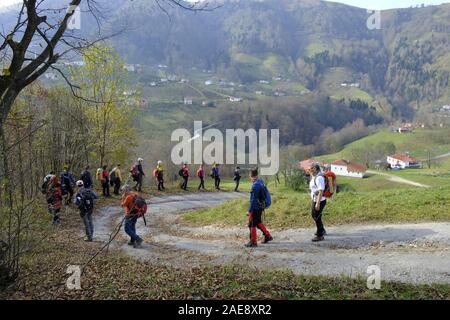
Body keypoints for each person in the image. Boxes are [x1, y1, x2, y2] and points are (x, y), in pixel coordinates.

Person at [245, 168, 272, 248]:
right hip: (260, 206)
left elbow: (253, 200)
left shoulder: (255, 186)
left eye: (250, 176)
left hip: (256, 207)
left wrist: (249, 211)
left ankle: (253, 242)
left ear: (252, 176)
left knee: (252, 224)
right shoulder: (261, 182)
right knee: (258, 222)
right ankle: (268, 236)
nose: (250, 178)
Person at [309, 164, 327, 242]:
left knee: (316, 216)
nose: (310, 171)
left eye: (312, 169)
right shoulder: (315, 176)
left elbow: (321, 191)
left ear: (316, 169)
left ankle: (320, 235)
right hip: (315, 199)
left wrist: (318, 203)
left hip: (320, 200)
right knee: (315, 215)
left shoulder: (319, 178)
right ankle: (321, 230)